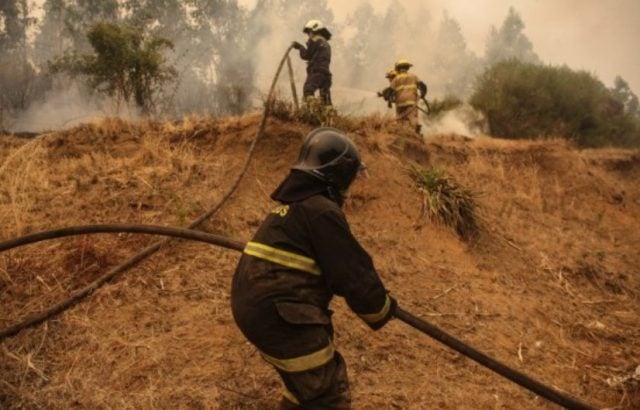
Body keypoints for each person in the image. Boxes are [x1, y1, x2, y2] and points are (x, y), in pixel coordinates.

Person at [231, 128, 396, 409]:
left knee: (305, 387)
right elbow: (353, 272)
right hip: (280, 314)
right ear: (339, 176)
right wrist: (381, 308)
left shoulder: (292, 208)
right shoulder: (321, 211)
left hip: (256, 310)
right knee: (327, 391)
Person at [292, 20, 333, 107]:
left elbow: (306, 55)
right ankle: (330, 116)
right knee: (325, 98)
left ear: (315, 30)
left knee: (308, 90)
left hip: (317, 72)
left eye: (309, 32)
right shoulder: (325, 43)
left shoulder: (316, 40)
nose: (308, 35)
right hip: (326, 75)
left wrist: (300, 47)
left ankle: (311, 113)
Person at [390, 59, 427, 134]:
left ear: (397, 68)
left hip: (400, 103)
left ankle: (400, 134)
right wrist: (423, 94)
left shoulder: (396, 79)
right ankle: (416, 134)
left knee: (399, 119)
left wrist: (388, 99)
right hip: (411, 103)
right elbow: (423, 86)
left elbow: (390, 91)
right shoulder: (414, 77)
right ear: (407, 67)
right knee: (412, 119)